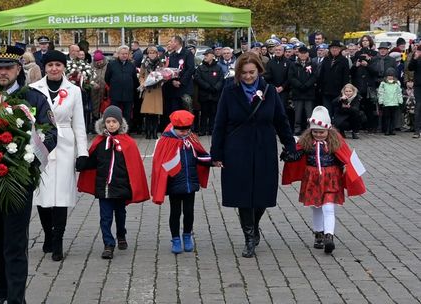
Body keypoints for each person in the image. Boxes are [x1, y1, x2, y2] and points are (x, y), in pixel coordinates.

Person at [0, 44, 57, 304]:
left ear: (18, 69)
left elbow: (52, 134)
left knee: (14, 244)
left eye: (8, 68)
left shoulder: (33, 98)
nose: (3, 72)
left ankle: (15, 298)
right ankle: (0, 287)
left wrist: (29, 152)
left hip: (18, 182)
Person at [210, 52, 296, 258]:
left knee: (263, 194)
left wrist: (290, 145)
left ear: (259, 70)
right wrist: (216, 152)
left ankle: (254, 225)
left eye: (252, 72)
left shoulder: (269, 91)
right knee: (242, 194)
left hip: (264, 147)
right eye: (244, 73)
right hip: (237, 149)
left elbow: (281, 120)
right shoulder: (230, 91)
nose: (248, 76)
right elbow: (220, 123)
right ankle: (249, 236)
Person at [29, 50, 88, 261]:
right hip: (41, 144)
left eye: (58, 65)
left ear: (64, 67)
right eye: (50, 64)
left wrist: (83, 152)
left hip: (65, 145)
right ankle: (48, 233)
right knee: (42, 194)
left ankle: (58, 241)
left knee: (61, 195)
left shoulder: (73, 91)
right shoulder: (34, 89)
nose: (54, 68)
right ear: (44, 67)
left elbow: (79, 123)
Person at [281, 106, 366, 254]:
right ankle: (318, 233)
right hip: (312, 178)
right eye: (315, 132)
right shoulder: (306, 142)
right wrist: (288, 155)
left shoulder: (335, 142)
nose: (318, 135)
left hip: (331, 178)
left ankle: (329, 236)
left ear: (328, 130)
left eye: (322, 132)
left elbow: (344, 157)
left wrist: (346, 167)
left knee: (328, 207)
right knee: (316, 207)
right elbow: (297, 155)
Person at [77, 105, 149, 259]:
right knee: (105, 217)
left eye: (114, 121)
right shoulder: (100, 142)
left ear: (120, 123)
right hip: (104, 188)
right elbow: (93, 162)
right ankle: (108, 244)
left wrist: (132, 186)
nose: (111, 124)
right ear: (104, 123)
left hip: (121, 187)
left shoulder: (128, 143)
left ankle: (121, 234)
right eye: (108, 121)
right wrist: (82, 162)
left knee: (120, 214)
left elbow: (133, 166)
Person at [151, 110, 211, 254]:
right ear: (174, 126)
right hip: (175, 185)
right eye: (181, 130)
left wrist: (213, 161)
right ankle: (176, 238)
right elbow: (160, 163)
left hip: (190, 182)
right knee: (175, 212)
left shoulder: (192, 139)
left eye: (187, 130)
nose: (184, 133)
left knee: (189, 212)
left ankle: (187, 236)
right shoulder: (166, 141)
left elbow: (200, 156)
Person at [162, 36, 195, 121]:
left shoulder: (187, 53)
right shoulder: (172, 55)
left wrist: (181, 82)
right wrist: (173, 81)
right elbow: (170, 70)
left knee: (186, 111)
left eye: (172, 42)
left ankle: (188, 131)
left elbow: (190, 69)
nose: (170, 44)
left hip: (185, 88)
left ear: (176, 43)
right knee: (175, 111)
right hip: (174, 89)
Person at [104, 45, 139, 126]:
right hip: (115, 94)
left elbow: (134, 80)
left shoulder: (132, 65)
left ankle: (125, 132)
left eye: (126, 54)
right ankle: (115, 131)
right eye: (122, 53)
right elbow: (107, 78)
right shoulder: (111, 64)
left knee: (127, 114)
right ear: (118, 54)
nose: (124, 55)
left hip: (128, 94)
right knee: (115, 114)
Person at [193, 48, 224, 136]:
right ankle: (202, 130)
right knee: (203, 113)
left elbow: (221, 79)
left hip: (215, 94)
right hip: (204, 94)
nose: (205, 57)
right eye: (204, 55)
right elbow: (198, 78)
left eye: (207, 55)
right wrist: (207, 87)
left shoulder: (218, 67)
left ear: (212, 56)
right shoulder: (200, 67)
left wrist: (216, 88)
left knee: (214, 113)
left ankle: (212, 129)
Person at [289, 46, 317, 135]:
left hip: (309, 93)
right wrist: (299, 85)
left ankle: (309, 129)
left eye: (305, 53)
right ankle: (297, 128)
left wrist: (307, 85)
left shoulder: (313, 64)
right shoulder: (293, 64)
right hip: (297, 92)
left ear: (308, 54)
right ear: (298, 54)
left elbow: (314, 76)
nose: (303, 55)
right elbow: (291, 77)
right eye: (301, 53)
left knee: (309, 113)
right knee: (298, 113)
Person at [138, 46, 163, 139]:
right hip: (148, 90)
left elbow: (163, 74)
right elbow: (141, 75)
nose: (152, 54)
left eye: (154, 52)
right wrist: (143, 82)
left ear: (157, 54)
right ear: (148, 54)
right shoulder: (144, 64)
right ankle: (148, 132)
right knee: (148, 113)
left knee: (156, 113)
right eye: (150, 53)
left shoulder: (160, 63)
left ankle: (155, 132)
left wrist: (161, 79)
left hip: (157, 90)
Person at [319, 40, 350, 114]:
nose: (334, 49)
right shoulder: (326, 59)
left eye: (336, 48)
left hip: (338, 91)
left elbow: (346, 77)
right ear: (330, 49)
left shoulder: (344, 60)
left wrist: (344, 91)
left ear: (339, 49)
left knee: (337, 111)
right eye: (332, 48)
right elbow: (321, 74)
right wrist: (321, 88)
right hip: (326, 91)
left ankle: (335, 125)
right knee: (327, 111)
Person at [378, 68, 403, 135]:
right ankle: (387, 130)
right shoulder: (383, 83)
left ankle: (392, 130)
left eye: (392, 76)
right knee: (386, 117)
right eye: (389, 75)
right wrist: (381, 101)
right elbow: (381, 93)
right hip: (386, 103)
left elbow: (399, 92)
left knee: (393, 117)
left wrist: (400, 101)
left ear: (394, 76)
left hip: (394, 103)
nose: (390, 77)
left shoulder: (397, 83)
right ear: (386, 76)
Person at [407, 45, 421, 138]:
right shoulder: (416, 57)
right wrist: (415, 58)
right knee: (418, 107)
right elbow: (410, 68)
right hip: (419, 85)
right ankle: (417, 130)